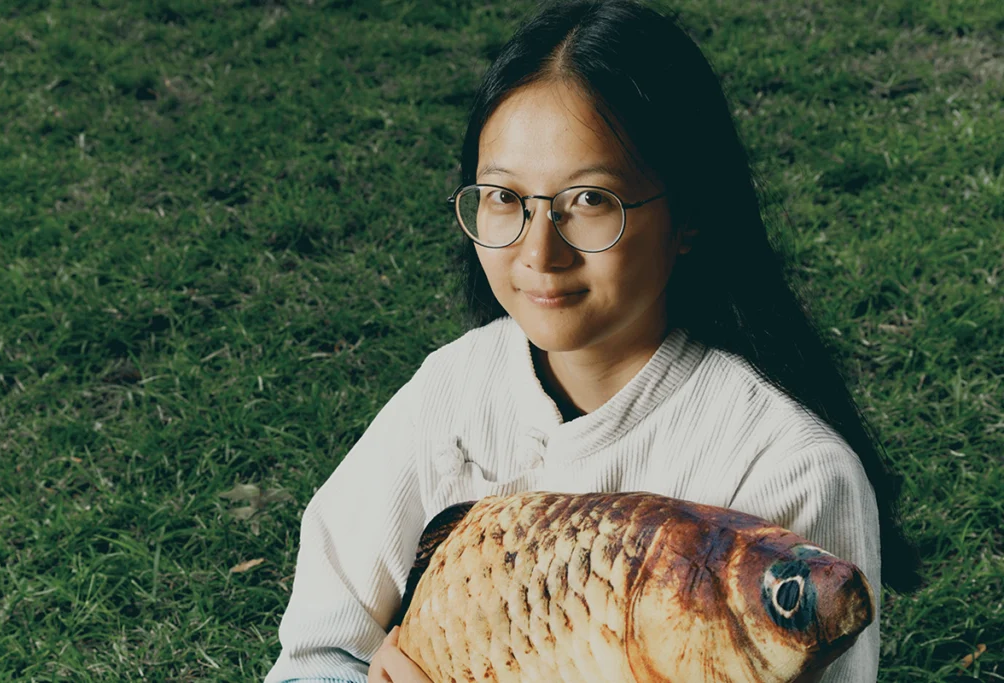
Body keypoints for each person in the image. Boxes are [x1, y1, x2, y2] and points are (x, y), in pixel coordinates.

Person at [264, 0, 922, 681]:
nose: (539, 251)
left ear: (689, 215)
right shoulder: (452, 388)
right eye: (503, 197)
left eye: (589, 201)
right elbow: (319, 646)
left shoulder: (789, 468)